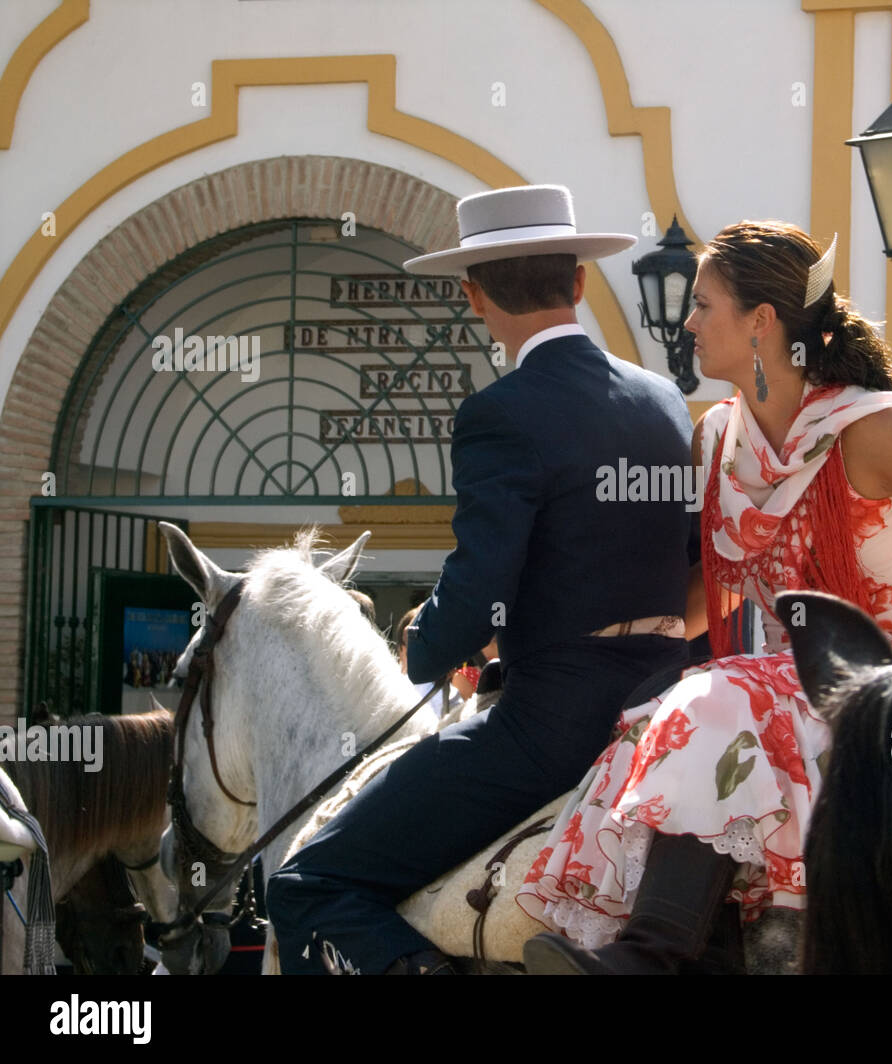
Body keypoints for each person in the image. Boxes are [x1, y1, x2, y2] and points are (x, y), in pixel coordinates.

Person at [519, 221, 892, 974]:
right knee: (663, 702)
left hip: (889, 679)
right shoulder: (717, 438)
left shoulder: (869, 429)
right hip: (785, 686)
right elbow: (720, 589)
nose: (687, 321)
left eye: (704, 305)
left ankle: (647, 959)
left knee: (717, 696)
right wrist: (582, 637)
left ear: (761, 323)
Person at [266, 185, 697, 974]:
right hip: (663, 705)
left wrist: (423, 647)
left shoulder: (503, 411)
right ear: (579, 281)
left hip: (551, 727)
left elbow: (482, 583)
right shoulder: (663, 398)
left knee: (306, 881)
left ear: (473, 295)